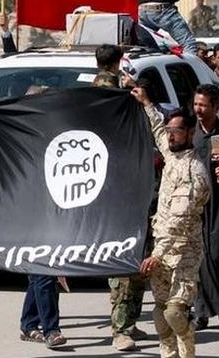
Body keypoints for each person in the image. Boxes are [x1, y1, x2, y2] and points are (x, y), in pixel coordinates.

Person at [132, 85, 210, 358]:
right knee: (160, 313)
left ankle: (187, 353)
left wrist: (157, 254)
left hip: (183, 253)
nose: (170, 135)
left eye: (175, 131)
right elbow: (157, 131)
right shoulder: (172, 154)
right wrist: (146, 102)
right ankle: (168, 355)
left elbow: (180, 220)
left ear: (190, 133)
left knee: (175, 313)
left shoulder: (193, 171)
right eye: (169, 131)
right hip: (161, 251)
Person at [89, 44, 149, 351]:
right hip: (120, 187)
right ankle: (121, 329)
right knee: (125, 263)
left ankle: (129, 323)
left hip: (115, 184)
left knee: (134, 262)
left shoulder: (90, 94)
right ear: (117, 63)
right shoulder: (119, 96)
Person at [189, 84, 219, 330]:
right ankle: (201, 312)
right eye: (196, 104)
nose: (198, 109)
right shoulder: (190, 134)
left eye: (203, 105)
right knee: (198, 257)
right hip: (195, 204)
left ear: (215, 107)